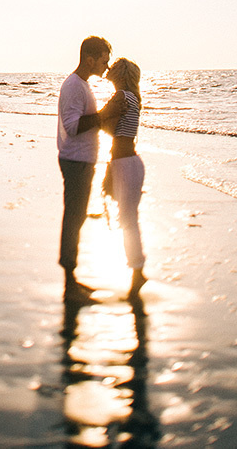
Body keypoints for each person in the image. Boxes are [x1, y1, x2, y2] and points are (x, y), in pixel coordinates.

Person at [56, 35, 117, 302]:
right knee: (74, 219)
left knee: (77, 218)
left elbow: (87, 121)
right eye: (104, 60)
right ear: (90, 59)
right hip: (75, 161)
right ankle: (70, 287)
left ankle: (73, 282)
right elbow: (72, 126)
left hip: (81, 160)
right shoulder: (74, 86)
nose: (107, 65)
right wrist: (105, 113)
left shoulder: (82, 85)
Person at [100, 57, 147, 299]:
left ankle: (138, 271)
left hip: (125, 164)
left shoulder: (121, 97)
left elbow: (105, 124)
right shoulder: (134, 98)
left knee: (128, 220)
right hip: (129, 162)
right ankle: (136, 269)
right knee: (128, 218)